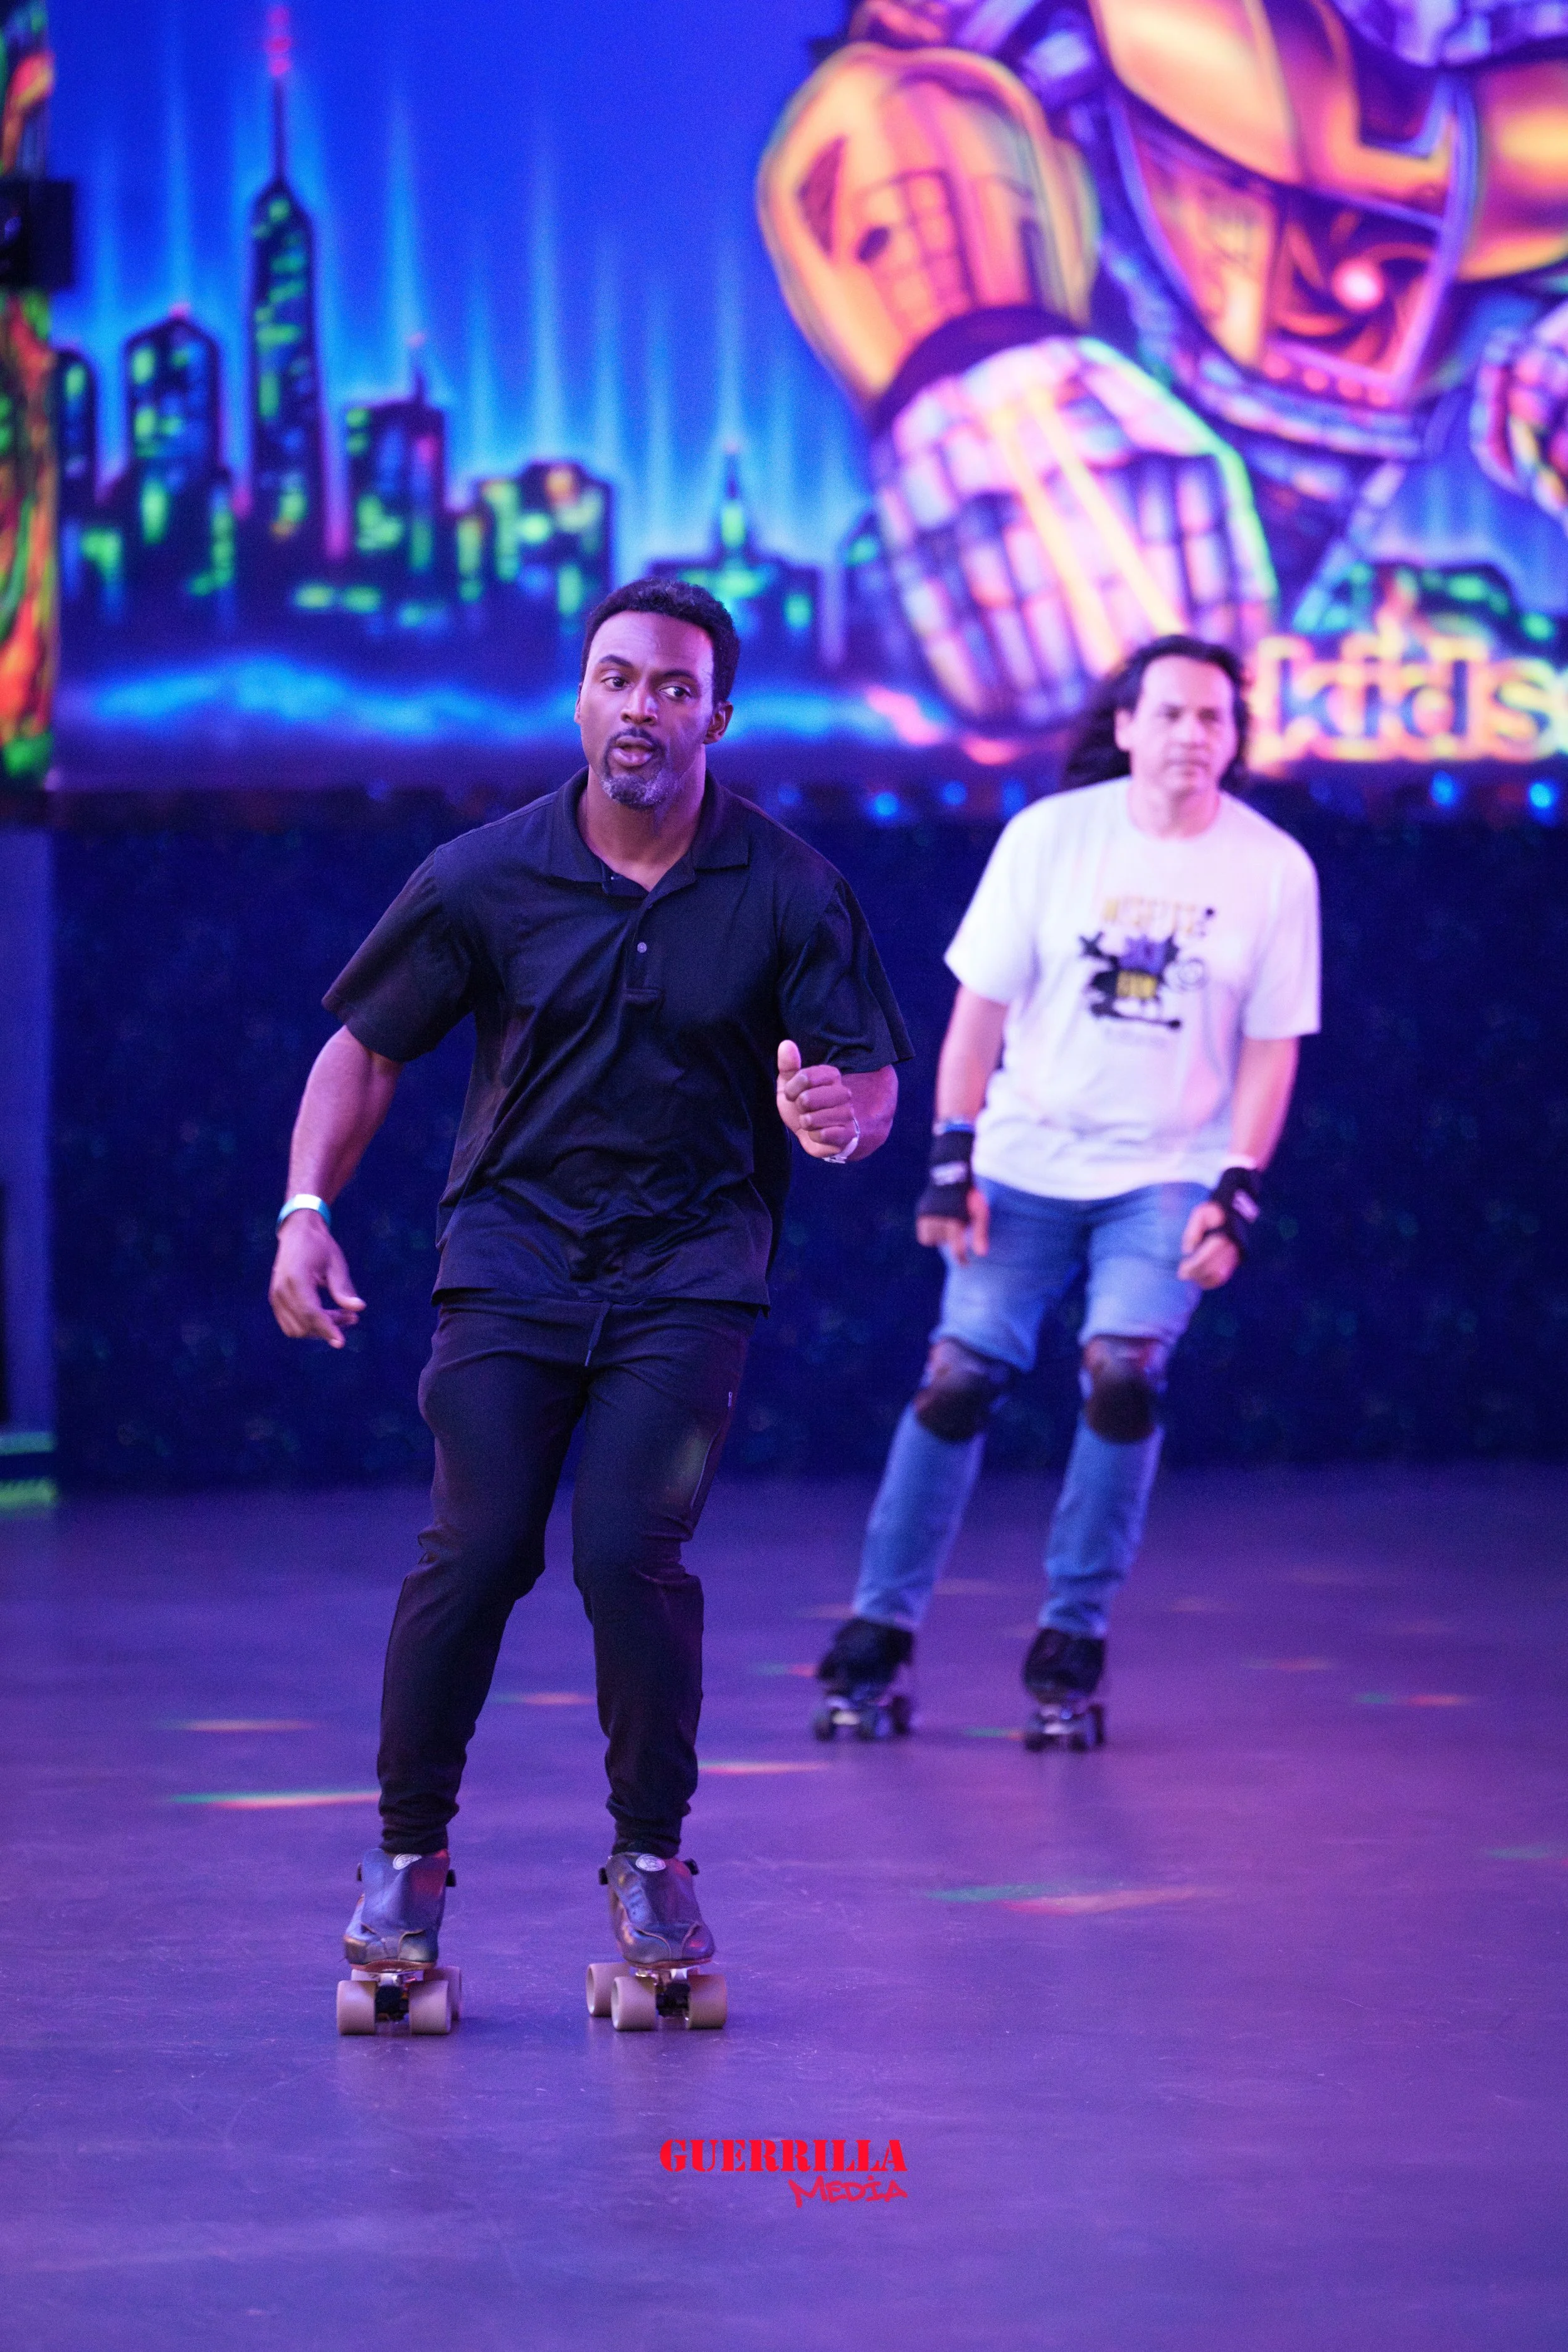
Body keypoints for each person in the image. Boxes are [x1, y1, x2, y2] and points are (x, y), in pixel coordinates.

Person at [269, 578, 910, 1984]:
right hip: (509, 1263)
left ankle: (649, 1860)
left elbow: (864, 1081)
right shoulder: (482, 875)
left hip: (689, 1274)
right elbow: (366, 1049)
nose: (641, 706)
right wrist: (305, 1208)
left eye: (673, 688)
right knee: (480, 1547)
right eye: (617, 678)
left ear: (716, 719)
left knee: (631, 1558)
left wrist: (843, 1119)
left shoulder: (791, 887)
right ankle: (405, 1859)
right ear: (579, 696)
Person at [815, 635, 1319, 1744]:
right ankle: (878, 1633)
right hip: (1027, 1153)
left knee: (1120, 1371)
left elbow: (1274, 1048)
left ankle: (1071, 1639)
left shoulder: (1274, 868)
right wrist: (951, 1156)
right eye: (1173, 714)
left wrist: (1236, 1188)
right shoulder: (1049, 838)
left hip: (1170, 1166)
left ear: (1236, 740)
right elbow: (979, 1013)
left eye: (1216, 719)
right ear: (1127, 726)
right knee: (958, 1378)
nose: (1195, 734)